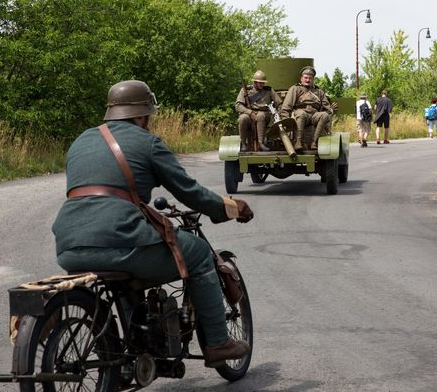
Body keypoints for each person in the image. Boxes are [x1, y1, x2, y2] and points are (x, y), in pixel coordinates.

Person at [52, 80, 253, 368]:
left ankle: (125, 357)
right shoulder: (148, 142)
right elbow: (188, 191)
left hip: (69, 246)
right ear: (142, 115)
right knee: (197, 253)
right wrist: (228, 208)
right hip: (121, 239)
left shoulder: (81, 141)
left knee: (125, 272)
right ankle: (219, 343)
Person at [280, 66, 333, 151]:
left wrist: (328, 121)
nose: (308, 80)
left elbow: (327, 108)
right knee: (301, 113)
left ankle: (314, 142)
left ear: (313, 79)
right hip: (300, 113)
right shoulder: (295, 89)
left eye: (310, 78)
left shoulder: (319, 91)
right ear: (301, 78)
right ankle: (298, 142)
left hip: (314, 115)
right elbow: (286, 107)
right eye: (305, 78)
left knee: (324, 115)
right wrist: (287, 123)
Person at [235, 70, 282, 152]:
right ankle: (243, 143)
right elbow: (238, 106)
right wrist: (250, 112)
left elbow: (279, 103)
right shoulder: (246, 90)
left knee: (260, 115)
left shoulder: (268, 90)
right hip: (249, 113)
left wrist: (278, 114)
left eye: (263, 83)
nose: (262, 84)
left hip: (264, 114)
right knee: (242, 118)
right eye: (260, 83)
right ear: (255, 82)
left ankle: (261, 143)